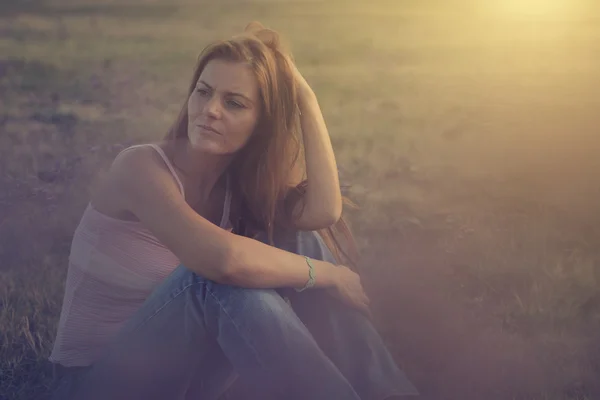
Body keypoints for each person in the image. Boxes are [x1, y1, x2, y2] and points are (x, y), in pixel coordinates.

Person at [48, 22, 419, 400]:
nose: (209, 110)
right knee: (211, 281)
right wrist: (328, 274)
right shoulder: (140, 168)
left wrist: (305, 99)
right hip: (96, 384)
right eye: (203, 92)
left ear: (262, 124)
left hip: (187, 378)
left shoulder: (238, 190)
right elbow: (222, 261)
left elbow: (323, 212)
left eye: (234, 103)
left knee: (296, 238)